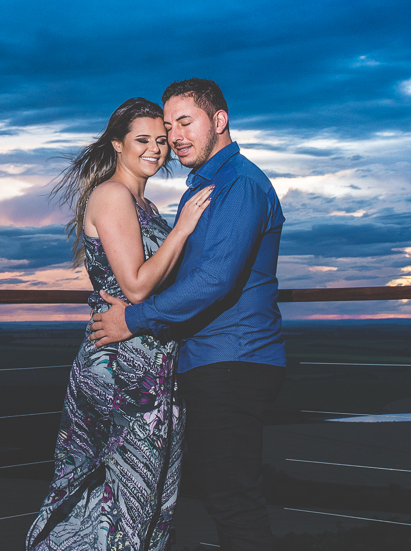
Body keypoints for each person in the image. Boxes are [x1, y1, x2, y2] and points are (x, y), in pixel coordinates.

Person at [89, 78, 286, 551]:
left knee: (233, 501)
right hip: (208, 360)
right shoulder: (206, 186)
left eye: (184, 122)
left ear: (218, 121)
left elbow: (214, 281)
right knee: (220, 496)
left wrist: (131, 321)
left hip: (233, 360)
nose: (174, 136)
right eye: (167, 125)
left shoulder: (237, 185)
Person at [27, 97, 214, 551]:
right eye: (143, 140)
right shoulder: (112, 194)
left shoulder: (141, 204)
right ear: (117, 144)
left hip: (148, 364)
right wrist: (184, 228)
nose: (156, 149)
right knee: (115, 494)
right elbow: (135, 287)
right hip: (118, 367)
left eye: (162, 141)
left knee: (144, 496)